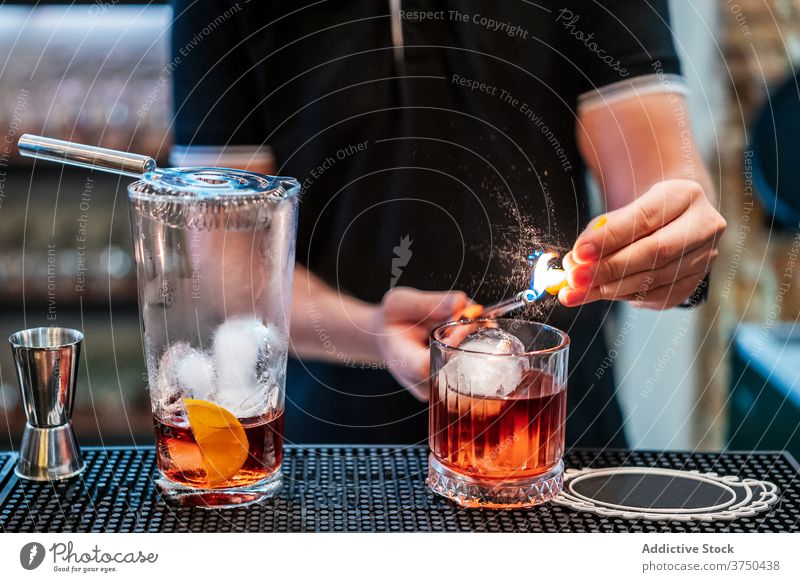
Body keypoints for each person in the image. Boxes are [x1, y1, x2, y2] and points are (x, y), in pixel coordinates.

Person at [169, 1, 725, 447]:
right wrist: (373, 330)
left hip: (552, 433)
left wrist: (672, 243)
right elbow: (230, 271)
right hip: (332, 453)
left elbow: (661, 180)